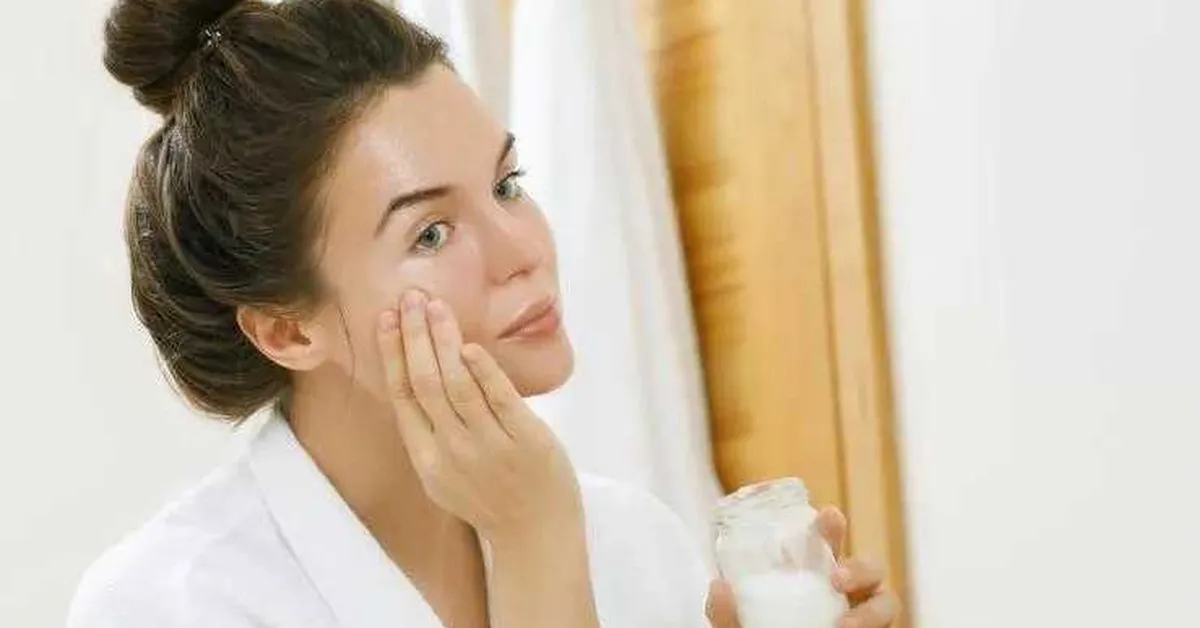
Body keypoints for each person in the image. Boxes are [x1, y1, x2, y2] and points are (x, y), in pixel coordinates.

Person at [69, 0, 900, 626]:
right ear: (288, 329)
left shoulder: (636, 544)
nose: (522, 248)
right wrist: (535, 547)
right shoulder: (171, 604)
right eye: (430, 232)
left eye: (506, 185)